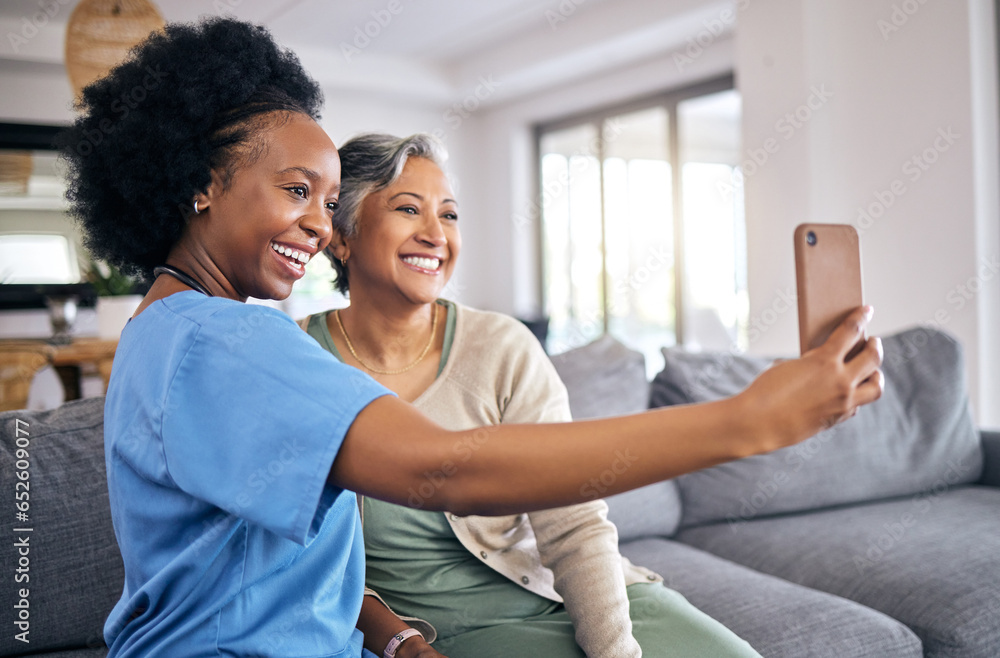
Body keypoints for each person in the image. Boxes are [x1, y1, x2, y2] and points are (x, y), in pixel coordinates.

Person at [58, 16, 883, 658]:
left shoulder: (160, 333)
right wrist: (746, 421)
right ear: (201, 184)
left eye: (328, 198)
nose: (317, 223)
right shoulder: (241, 343)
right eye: (298, 191)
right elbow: (441, 467)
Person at [301, 131, 763, 658]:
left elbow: (572, 518)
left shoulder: (502, 346)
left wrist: (614, 650)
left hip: (566, 593)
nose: (436, 234)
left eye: (449, 215)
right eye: (409, 209)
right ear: (342, 236)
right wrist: (396, 638)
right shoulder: (296, 359)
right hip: (445, 632)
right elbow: (300, 554)